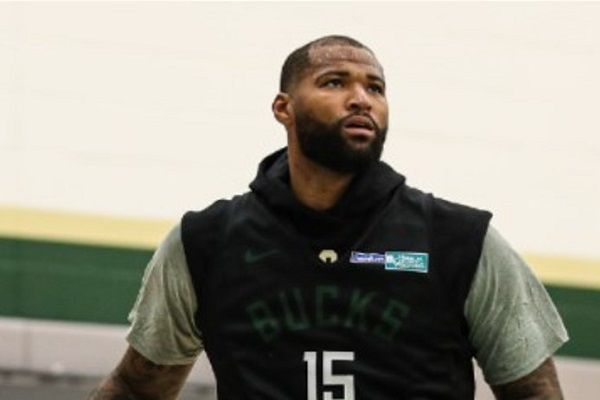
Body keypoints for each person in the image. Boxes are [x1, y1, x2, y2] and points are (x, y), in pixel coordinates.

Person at [89, 35, 568, 400]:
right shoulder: (206, 241)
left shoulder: (461, 240)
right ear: (284, 108)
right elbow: (137, 388)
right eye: (335, 82)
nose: (361, 99)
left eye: (375, 88)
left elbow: (535, 393)